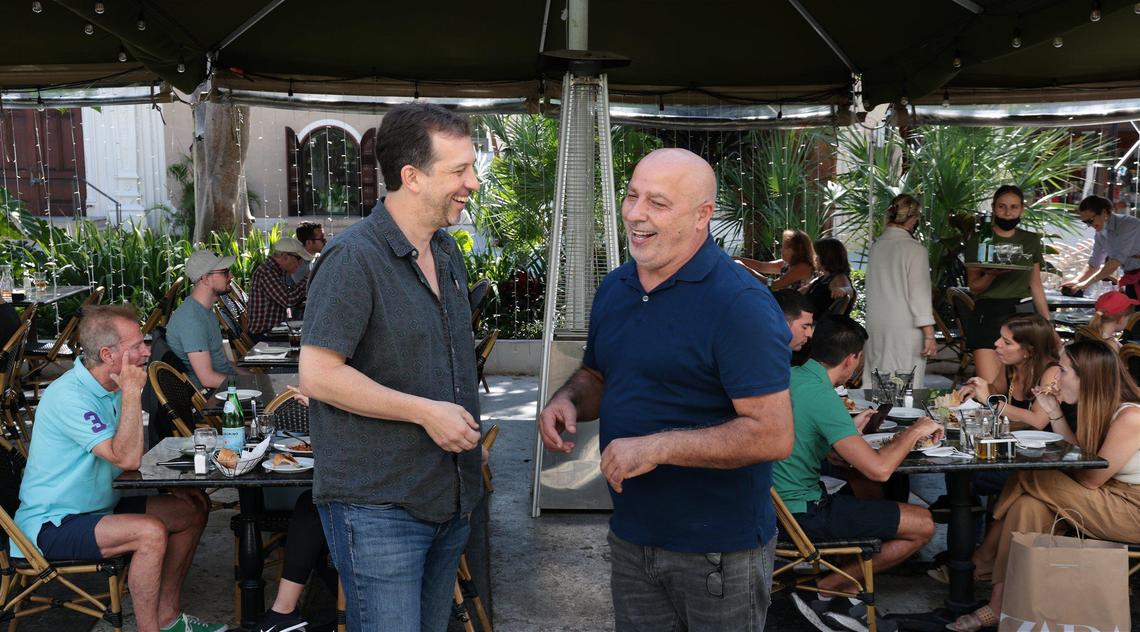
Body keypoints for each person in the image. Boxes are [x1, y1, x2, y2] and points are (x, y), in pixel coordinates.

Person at [539, 148, 794, 632]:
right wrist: (567, 399)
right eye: (632, 196)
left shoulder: (739, 304)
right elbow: (599, 375)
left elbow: (772, 435)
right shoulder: (616, 287)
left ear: (702, 216)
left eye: (657, 203)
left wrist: (658, 447)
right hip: (632, 537)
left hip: (718, 552)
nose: (635, 214)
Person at [298, 103, 482, 632]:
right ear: (411, 177)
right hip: (377, 507)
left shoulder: (446, 250)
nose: (472, 182)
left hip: (445, 497)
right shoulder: (354, 258)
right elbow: (318, 375)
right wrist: (426, 412)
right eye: (458, 170)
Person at [12, 305, 222, 632]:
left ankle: (168, 619)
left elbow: (137, 452)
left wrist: (174, 480)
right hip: (52, 522)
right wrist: (133, 394)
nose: (147, 352)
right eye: (137, 346)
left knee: (192, 507)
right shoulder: (70, 396)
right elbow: (125, 459)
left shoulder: (112, 387)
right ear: (108, 354)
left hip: (99, 505)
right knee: (149, 532)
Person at [948, 339, 1140, 631]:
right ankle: (1001, 606)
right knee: (1028, 504)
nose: (1056, 378)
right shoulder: (1101, 408)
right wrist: (1053, 411)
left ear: (1086, 377)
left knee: (1030, 474)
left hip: (1132, 510)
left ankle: (985, 556)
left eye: (1062, 372)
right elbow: (1083, 456)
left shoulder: (1131, 417)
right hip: (1107, 496)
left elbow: (1090, 477)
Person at [773, 314, 939, 631]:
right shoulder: (823, 396)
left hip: (774, 507)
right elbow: (879, 470)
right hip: (800, 514)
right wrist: (916, 430)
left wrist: (847, 431)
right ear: (852, 359)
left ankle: (832, 590)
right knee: (923, 524)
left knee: (862, 485)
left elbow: (814, 443)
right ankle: (831, 588)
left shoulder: (793, 377)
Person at [964, 185, 1050, 385]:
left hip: (1023, 315)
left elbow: (1036, 285)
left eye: (1013, 207)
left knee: (1022, 384)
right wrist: (992, 275)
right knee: (990, 386)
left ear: (1021, 209)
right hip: (988, 313)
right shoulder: (979, 240)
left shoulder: (1031, 240)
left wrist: (1047, 324)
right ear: (994, 208)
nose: (1008, 212)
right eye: (1002, 207)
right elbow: (974, 287)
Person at [864, 193, 938, 387]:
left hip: (876, 324)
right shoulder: (914, 250)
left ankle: (875, 416)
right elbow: (919, 294)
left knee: (878, 380)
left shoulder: (876, 248)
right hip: (905, 327)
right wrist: (929, 334)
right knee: (905, 384)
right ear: (912, 219)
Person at [956, 313, 1063, 431]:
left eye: (1007, 342)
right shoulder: (1012, 364)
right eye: (1000, 337)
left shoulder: (1053, 372)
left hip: (1055, 445)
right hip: (1022, 440)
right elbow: (996, 390)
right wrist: (977, 389)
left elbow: (1038, 421)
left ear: (1029, 351)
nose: (997, 343)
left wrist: (991, 401)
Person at [167, 249, 240, 389]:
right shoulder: (191, 320)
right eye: (225, 272)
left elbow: (223, 363)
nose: (231, 276)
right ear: (206, 278)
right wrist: (250, 384)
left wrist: (255, 378)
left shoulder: (205, 312)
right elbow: (208, 379)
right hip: (216, 397)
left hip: (227, 388)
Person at [1061, 194, 1140, 298]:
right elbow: (1094, 263)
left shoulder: (1128, 224)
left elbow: (1114, 262)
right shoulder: (1100, 233)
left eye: (1090, 220)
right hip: (1131, 277)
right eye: (1085, 222)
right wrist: (1077, 281)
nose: (1089, 225)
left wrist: (1086, 283)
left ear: (1104, 213)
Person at [246, 237, 313, 340]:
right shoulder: (267, 271)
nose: (300, 264)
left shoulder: (277, 271)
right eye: (299, 259)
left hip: (273, 331)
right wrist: (307, 279)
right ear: (285, 256)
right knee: (310, 339)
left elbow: (289, 294)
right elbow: (288, 300)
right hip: (263, 334)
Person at [736, 228, 815, 291]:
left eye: (784, 247)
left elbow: (774, 285)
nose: (781, 250)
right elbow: (761, 266)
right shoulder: (787, 264)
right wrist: (737, 259)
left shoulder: (802, 267)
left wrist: (746, 269)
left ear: (796, 250)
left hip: (801, 310)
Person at [803, 237, 853, 316]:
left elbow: (849, 289)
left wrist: (843, 290)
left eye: (815, 255)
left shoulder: (839, 277)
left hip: (818, 325)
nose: (814, 258)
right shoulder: (822, 278)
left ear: (825, 257)